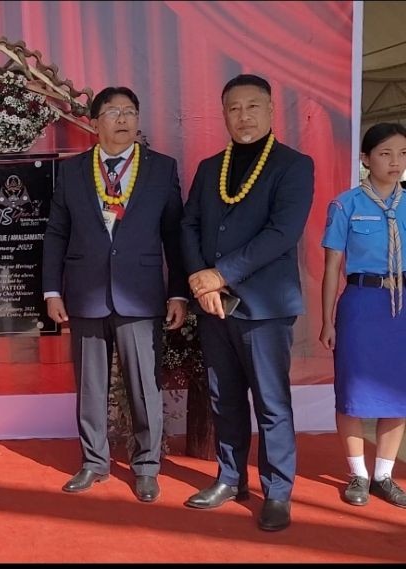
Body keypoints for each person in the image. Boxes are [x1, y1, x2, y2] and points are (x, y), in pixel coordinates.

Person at [181, 74, 314, 532]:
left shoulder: (294, 166)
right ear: (224, 114)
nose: (243, 116)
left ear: (272, 110)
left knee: (271, 403)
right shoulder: (209, 167)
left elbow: (282, 234)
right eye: (234, 108)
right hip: (213, 305)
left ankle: (278, 491)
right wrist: (204, 285)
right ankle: (230, 478)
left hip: (264, 307)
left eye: (252, 106)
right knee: (225, 397)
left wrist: (220, 275)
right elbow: (190, 227)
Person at [42, 86, 187, 503]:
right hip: (85, 293)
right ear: (94, 121)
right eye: (112, 112)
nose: (122, 119)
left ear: (138, 119)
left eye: (130, 111)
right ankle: (93, 461)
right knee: (90, 385)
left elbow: (173, 235)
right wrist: (53, 290)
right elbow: (56, 233)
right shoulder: (72, 171)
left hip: (141, 295)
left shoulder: (161, 168)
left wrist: (177, 292)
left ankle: (146, 466)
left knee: (144, 385)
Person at [320, 122, 406, 508]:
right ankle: (358, 473)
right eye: (386, 153)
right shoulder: (345, 205)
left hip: (402, 305)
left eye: (403, 154)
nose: (395, 162)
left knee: (398, 393)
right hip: (360, 303)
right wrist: (326, 320)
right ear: (366, 158)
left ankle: (384, 475)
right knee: (352, 394)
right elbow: (332, 267)